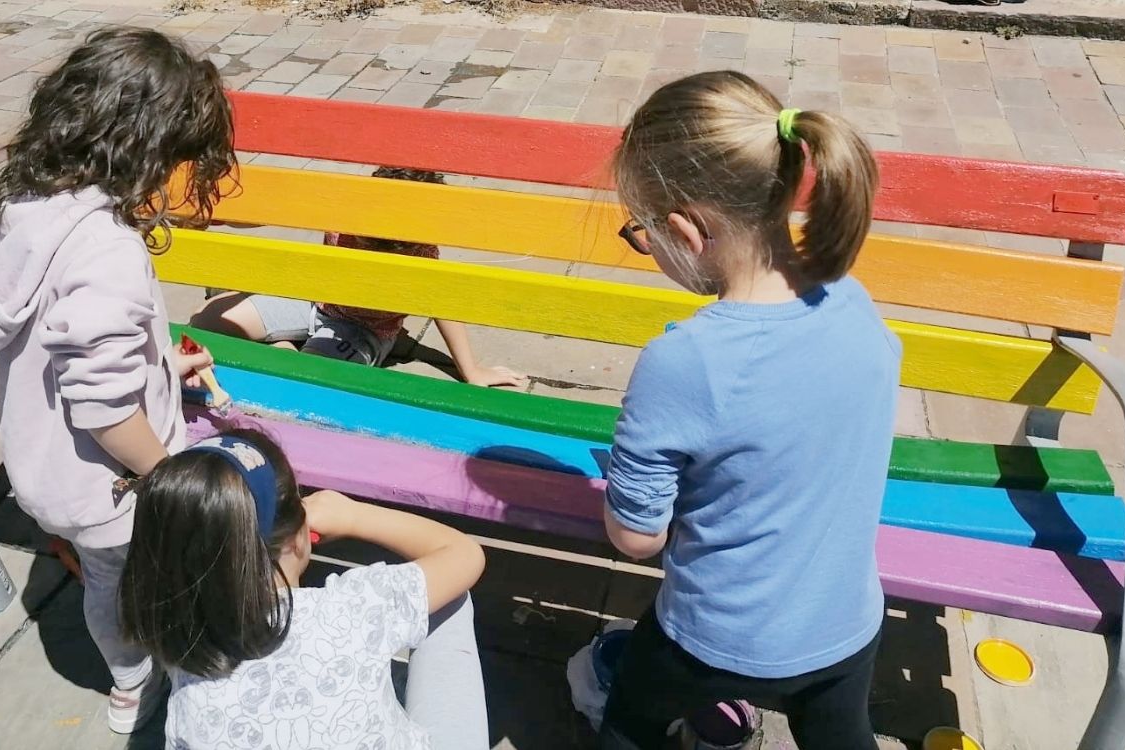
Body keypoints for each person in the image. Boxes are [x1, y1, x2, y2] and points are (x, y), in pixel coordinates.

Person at [598, 71, 901, 750]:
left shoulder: (687, 359)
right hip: (845, 626)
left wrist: (618, 492)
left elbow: (636, 538)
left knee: (630, 719)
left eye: (639, 234)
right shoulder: (850, 299)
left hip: (714, 637)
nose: (646, 246)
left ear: (684, 230)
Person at [0, 28, 235, 734]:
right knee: (152, 582)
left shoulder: (18, 208)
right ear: (148, 149)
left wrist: (159, 366)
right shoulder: (105, 250)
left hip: (42, 472)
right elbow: (103, 408)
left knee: (106, 579)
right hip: (112, 487)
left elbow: (60, 349)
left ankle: (124, 683)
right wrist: (171, 474)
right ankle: (169, 688)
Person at [118, 428, 489, 750]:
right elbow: (464, 554)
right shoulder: (355, 607)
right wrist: (353, 515)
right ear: (297, 535)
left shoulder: (177, 629)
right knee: (452, 596)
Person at [190, 167, 526, 388]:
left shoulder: (419, 249)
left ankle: (284, 349)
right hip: (312, 299)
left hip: (360, 330)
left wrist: (471, 370)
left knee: (309, 383)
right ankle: (283, 345)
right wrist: (220, 217)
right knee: (205, 321)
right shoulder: (343, 208)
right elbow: (274, 212)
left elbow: (442, 302)